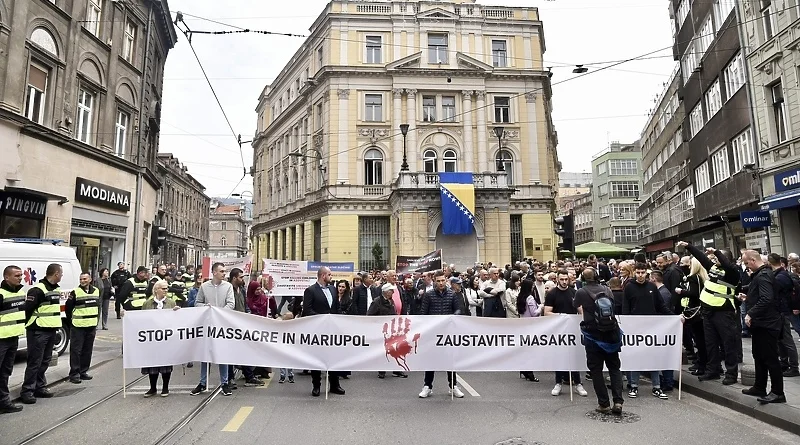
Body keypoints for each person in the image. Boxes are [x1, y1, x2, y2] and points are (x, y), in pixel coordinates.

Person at [678, 241, 741, 385]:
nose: (714, 260)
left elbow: (727, 264)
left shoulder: (732, 273)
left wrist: (717, 252)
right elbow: (701, 258)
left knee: (728, 343)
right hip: (708, 311)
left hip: (723, 311)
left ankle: (731, 374)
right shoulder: (713, 269)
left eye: (717, 259)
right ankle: (713, 370)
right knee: (710, 343)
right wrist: (688, 246)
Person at [574, 268, 624, 415]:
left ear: (583, 278)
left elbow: (575, 305)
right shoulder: (607, 290)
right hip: (611, 334)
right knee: (614, 369)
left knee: (596, 371)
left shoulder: (581, 292)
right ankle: (618, 402)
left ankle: (604, 404)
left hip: (592, 335)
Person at [740, 251, 786, 404]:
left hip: (767, 324)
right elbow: (761, 296)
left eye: (747, 263)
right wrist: (748, 297)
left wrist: (750, 313)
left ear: (753, 260)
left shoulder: (764, 275)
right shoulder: (760, 274)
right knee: (758, 356)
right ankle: (759, 386)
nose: (747, 267)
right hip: (761, 324)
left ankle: (778, 392)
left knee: (770, 358)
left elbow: (767, 298)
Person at [622, 262, 672, 399]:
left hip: (651, 328)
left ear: (646, 273)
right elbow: (626, 308)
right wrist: (626, 325)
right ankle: (634, 386)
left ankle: (656, 387)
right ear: (634, 272)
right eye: (637, 272)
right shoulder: (629, 287)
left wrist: (674, 318)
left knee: (653, 358)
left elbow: (661, 305)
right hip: (635, 328)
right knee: (635, 358)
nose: (640, 275)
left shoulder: (652, 287)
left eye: (642, 272)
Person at [20, 263, 63, 404]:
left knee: (45, 361)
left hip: (50, 330)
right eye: (61, 273)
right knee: (34, 362)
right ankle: (27, 391)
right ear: (56, 274)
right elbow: (27, 310)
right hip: (38, 330)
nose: (62, 276)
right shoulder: (37, 290)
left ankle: (40, 387)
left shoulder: (56, 289)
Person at [191, 262, 235, 397]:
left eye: (224, 271)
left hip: (222, 325)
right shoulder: (204, 287)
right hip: (208, 326)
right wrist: (206, 307)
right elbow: (197, 303)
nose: (224, 273)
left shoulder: (228, 286)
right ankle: (203, 382)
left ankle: (225, 383)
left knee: (223, 354)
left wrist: (219, 312)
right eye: (221, 271)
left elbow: (231, 304)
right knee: (205, 354)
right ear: (214, 272)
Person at [418, 271, 464, 399]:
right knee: (430, 360)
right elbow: (423, 313)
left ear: (446, 280)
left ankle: (453, 386)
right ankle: (427, 386)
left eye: (443, 280)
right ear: (434, 281)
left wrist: (454, 316)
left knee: (450, 360)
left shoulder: (452, 294)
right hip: (433, 333)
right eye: (438, 281)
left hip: (448, 333)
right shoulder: (428, 295)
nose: (441, 283)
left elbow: (459, 309)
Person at [544, 269, 587, 397]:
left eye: (565, 279)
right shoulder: (552, 294)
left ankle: (578, 383)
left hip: (573, 330)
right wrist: (561, 316)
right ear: (557, 279)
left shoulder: (574, 292)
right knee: (560, 356)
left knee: (574, 356)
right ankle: (558, 383)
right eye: (561, 279)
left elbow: (581, 310)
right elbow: (547, 312)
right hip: (558, 330)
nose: (564, 282)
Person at [302, 267, 345, 396]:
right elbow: (307, 310)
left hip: (332, 330)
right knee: (317, 358)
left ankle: (335, 384)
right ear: (322, 276)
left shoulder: (332, 289)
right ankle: (316, 386)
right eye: (329, 275)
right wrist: (323, 318)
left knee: (333, 357)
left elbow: (336, 307)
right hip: (318, 330)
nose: (331, 277)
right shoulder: (310, 291)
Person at [139, 280, 180, 397]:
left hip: (166, 338)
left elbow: (176, 320)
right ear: (156, 290)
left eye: (167, 288)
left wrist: (177, 312)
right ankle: (152, 388)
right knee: (152, 363)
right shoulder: (147, 303)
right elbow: (141, 319)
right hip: (152, 339)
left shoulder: (171, 303)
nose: (166, 291)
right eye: (163, 288)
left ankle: (165, 387)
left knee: (166, 364)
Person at [767, 254, 800, 377]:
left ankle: (794, 367)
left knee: (787, 340)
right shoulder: (779, 275)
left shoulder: (781, 277)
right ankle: (784, 363)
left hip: (784, 312)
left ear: (770, 263)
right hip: (780, 311)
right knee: (781, 340)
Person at [65, 272, 99, 384]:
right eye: (81, 279)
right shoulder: (75, 292)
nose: (82, 281)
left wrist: (96, 322)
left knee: (87, 350)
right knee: (76, 351)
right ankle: (74, 374)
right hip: (78, 326)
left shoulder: (96, 291)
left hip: (91, 326)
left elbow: (98, 307)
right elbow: (68, 308)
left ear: (90, 279)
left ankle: (83, 371)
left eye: (85, 279)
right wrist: (72, 322)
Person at [677, 258, 709, 377]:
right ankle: (703, 363)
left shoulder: (693, 278)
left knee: (699, 340)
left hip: (695, 312)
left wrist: (681, 291)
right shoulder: (704, 277)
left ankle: (701, 365)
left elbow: (693, 293)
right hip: (703, 311)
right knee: (703, 340)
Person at [0, 266, 25, 413]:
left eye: (21, 275)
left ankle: (4, 402)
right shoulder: (1, 294)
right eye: (16, 275)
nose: (20, 278)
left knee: (5, 372)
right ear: (6, 277)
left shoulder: (21, 293)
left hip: (13, 338)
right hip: (1, 340)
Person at [370, 283, 407, 379]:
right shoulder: (377, 302)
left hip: (393, 329)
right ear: (386, 292)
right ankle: (381, 370)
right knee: (383, 350)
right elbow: (370, 315)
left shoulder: (391, 301)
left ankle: (397, 369)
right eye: (391, 290)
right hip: (383, 330)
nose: (393, 292)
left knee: (396, 348)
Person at [516, 279, 540, 383]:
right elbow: (534, 313)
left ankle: (523, 370)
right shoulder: (530, 298)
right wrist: (541, 307)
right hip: (531, 326)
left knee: (524, 349)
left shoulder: (520, 297)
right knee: (530, 351)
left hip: (522, 325)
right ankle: (530, 373)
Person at [278, 312, 295, 384]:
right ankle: (283, 376)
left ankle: (290, 375)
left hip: (290, 347)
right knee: (282, 361)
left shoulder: (294, 327)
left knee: (289, 361)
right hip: (282, 347)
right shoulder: (280, 326)